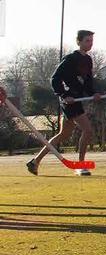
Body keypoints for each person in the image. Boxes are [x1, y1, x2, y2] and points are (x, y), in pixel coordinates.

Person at [27, 30, 102, 176]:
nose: (90, 43)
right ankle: (80, 165)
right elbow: (55, 79)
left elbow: (87, 82)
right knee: (87, 130)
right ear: (79, 42)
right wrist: (64, 95)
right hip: (69, 101)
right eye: (87, 41)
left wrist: (94, 94)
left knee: (64, 134)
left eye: (91, 41)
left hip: (77, 100)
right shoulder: (70, 59)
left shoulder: (88, 60)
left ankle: (35, 162)